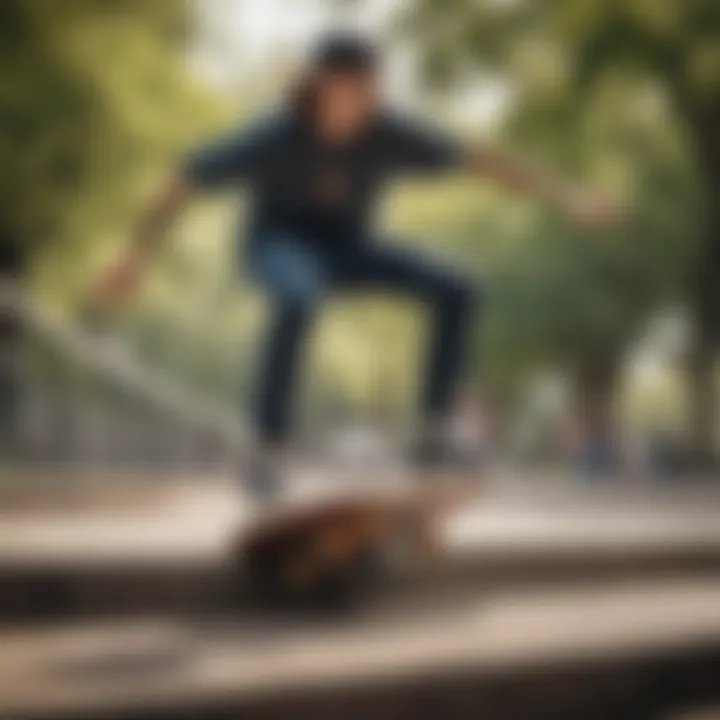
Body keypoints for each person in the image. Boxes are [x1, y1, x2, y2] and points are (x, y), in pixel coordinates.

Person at [94, 33, 621, 498]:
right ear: (316, 86)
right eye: (344, 92)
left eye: (366, 94)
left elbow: (479, 160)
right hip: (275, 247)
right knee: (299, 295)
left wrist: (566, 196)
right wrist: (133, 256)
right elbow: (183, 180)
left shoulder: (388, 130)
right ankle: (267, 445)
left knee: (458, 286)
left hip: (350, 252)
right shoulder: (274, 134)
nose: (355, 107)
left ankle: (433, 436)